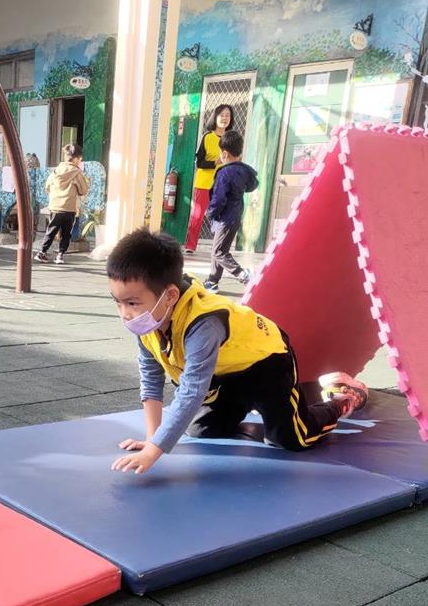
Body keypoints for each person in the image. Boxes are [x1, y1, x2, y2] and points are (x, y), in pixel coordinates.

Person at [107, 229, 368, 475]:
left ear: (170, 296)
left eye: (132, 303)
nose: (124, 313)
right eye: (117, 302)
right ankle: (250, 403)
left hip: (267, 365)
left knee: (292, 438)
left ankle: (341, 397)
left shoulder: (204, 324)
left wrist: (154, 451)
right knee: (200, 430)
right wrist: (152, 438)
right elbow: (151, 380)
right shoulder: (149, 321)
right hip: (228, 374)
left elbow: (192, 390)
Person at [203, 130, 257, 292]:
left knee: (218, 252)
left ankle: (243, 275)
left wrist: (210, 212)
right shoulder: (245, 171)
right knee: (220, 249)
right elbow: (252, 185)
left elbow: (219, 198)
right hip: (236, 215)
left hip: (224, 218)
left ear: (225, 154)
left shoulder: (224, 173)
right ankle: (212, 281)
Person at [184, 103, 234, 253]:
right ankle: (190, 246)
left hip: (223, 184)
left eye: (228, 115)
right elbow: (199, 162)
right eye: (222, 115)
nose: (225, 118)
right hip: (205, 183)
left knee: (224, 216)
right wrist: (215, 162)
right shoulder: (207, 137)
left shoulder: (231, 139)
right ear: (215, 117)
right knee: (197, 216)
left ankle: (219, 247)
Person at [35, 143, 89, 266]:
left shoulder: (56, 171)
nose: (80, 161)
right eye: (80, 159)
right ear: (76, 158)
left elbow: (47, 186)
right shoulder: (77, 172)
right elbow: (83, 190)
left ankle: (42, 252)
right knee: (66, 233)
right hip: (69, 208)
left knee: (51, 230)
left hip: (55, 207)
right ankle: (60, 255)